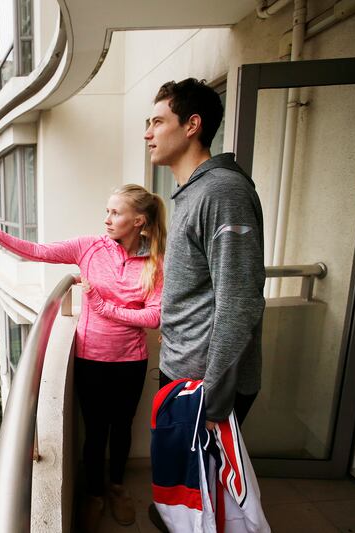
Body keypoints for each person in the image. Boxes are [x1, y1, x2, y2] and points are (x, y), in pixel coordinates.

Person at [0, 185, 166, 531]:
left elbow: (154, 317)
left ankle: (118, 488)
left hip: (131, 360)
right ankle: (94, 494)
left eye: (115, 213)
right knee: (95, 432)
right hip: (91, 358)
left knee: (122, 429)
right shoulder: (89, 248)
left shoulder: (155, 261)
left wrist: (106, 308)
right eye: (107, 211)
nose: (106, 219)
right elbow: (36, 251)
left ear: (138, 220)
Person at [144, 78, 265, 529]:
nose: (148, 133)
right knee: (187, 492)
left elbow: (240, 301)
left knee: (211, 504)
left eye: (158, 121)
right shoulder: (192, 192)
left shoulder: (222, 193)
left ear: (192, 125)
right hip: (186, 376)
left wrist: (214, 402)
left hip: (206, 388)